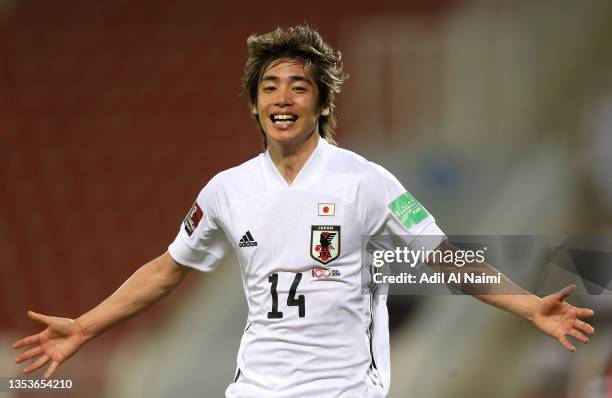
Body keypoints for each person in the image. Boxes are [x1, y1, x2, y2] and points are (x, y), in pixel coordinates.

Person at [13, 25, 595, 398]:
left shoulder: (369, 182)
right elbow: (167, 270)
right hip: (257, 389)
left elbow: (444, 258)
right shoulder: (226, 189)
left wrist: (527, 306)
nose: (282, 99)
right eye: (269, 87)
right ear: (254, 104)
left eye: (298, 86)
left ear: (321, 102)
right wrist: (85, 326)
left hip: (344, 392)